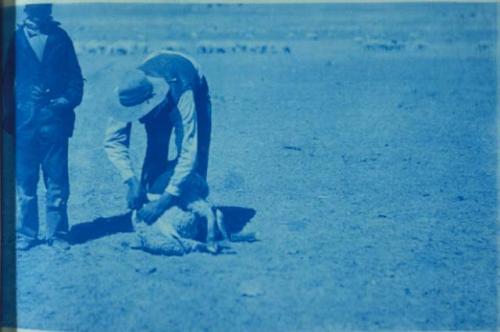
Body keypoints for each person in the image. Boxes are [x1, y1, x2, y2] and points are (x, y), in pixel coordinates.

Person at [104, 50, 225, 252]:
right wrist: (131, 181)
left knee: (195, 168)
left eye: (142, 112)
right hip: (159, 90)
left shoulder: (183, 93)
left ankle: (201, 224)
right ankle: (156, 217)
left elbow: (189, 151)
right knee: (154, 155)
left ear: (152, 100)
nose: (139, 118)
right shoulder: (127, 91)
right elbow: (113, 141)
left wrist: (163, 202)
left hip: (189, 81)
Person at [2, 4, 84, 250]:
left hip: (55, 123)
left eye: (44, 11)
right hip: (23, 124)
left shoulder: (61, 37)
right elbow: (4, 82)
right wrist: (11, 112)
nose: (40, 16)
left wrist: (66, 101)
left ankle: (58, 234)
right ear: (27, 13)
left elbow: (76, 79)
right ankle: (27, 234)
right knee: (25, 182)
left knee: (57, 180)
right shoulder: (14, 40)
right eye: (36, 12)